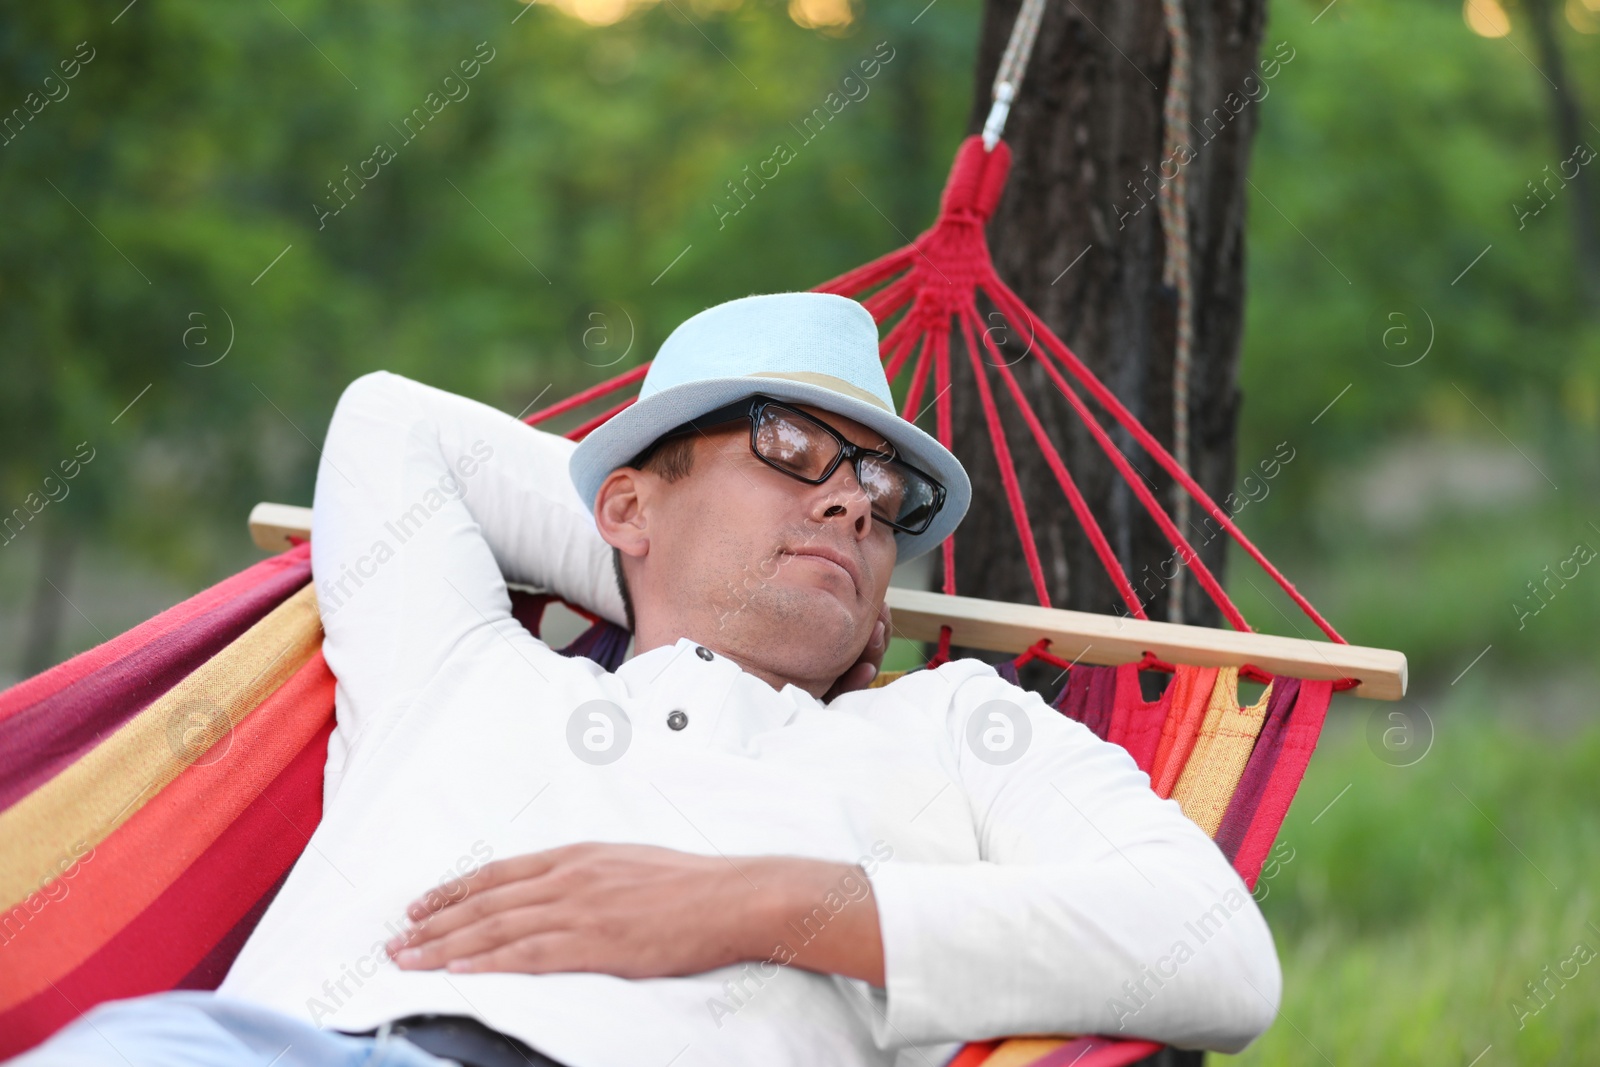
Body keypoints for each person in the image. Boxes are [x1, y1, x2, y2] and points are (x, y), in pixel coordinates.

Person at [14, 292, 1280, 1067]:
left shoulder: (956, 726)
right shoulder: (458, 674)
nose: (852, 496)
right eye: (792, 446)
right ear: (621, 498)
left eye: (882, 495)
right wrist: (661, 567)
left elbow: (1216, 953)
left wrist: (758, 905)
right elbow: (392, 422)